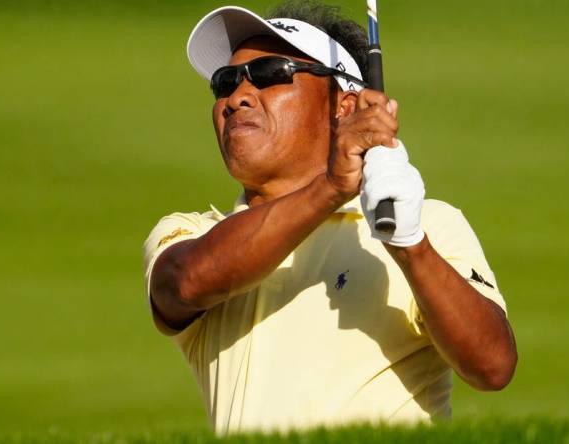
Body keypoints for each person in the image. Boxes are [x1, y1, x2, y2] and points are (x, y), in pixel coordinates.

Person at [143, 1, 517, 435]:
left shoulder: (428, 223)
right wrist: (332, 188)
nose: (237, 97)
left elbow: (492, 367)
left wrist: (411, 244)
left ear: (345, 107)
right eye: (225, 83)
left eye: (271, 74)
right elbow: (189, 282)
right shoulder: (191, 233)